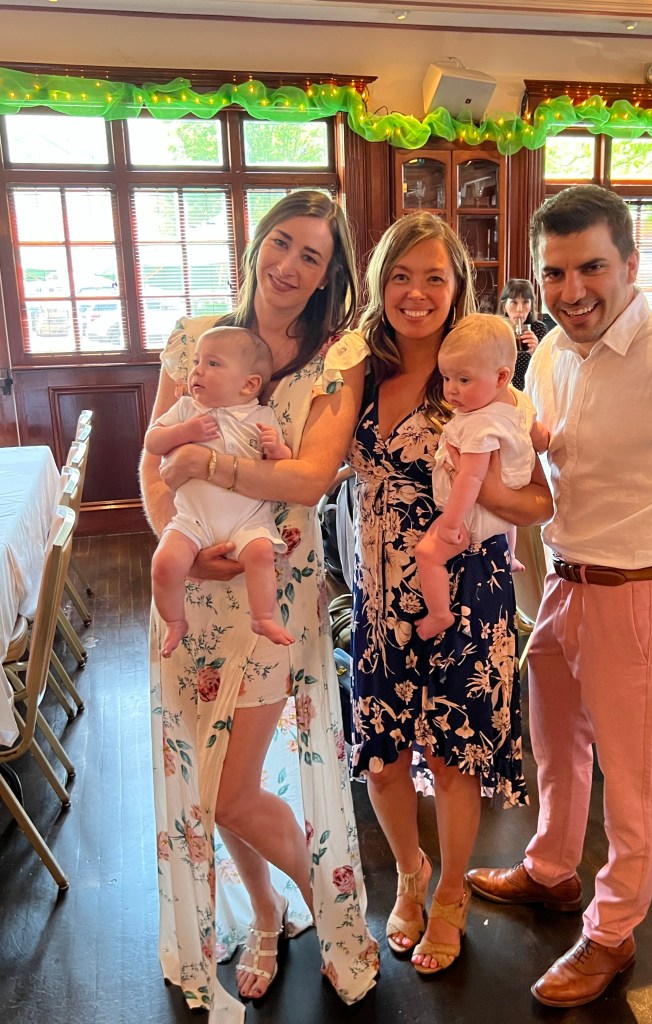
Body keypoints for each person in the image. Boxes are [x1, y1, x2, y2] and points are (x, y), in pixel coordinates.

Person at [467, 184, 652, 1008]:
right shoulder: (549, 353)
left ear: (631, 264)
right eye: (555, 272)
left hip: (640, 595)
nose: (572, 291)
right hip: (564, 584)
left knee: (633, 785)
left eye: (591, 267)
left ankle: (612, 933)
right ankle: (552, 870)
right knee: (555, 748)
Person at [139, 190, 378, 1022]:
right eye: (281, 243)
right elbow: (152, 460)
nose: (289, 265)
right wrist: (178, 538)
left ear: (327, 276)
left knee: (233, 787)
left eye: (312, 256)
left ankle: (328, 903)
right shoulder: (196, 340)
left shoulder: (335, 360)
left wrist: (211, 467)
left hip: (275, 588)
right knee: (213, 781)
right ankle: (267, 913)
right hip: (194, 586)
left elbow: (308, 480)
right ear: (255, 247)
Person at [322, 212, 553, 977]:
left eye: (434, 277)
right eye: (400, 275)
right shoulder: (358, 371)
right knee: (383, 759)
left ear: (457, 288)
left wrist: (481, 493)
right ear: (379, 282)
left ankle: (451, 892)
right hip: (380, 595)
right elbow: (317, 463)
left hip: (469, 593)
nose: (415, 292)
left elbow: (540, 502)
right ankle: (410, 872)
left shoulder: (481, 378)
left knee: (454, 760)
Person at [145, 325, 294, 657]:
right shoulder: (186, 408)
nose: (197, 370)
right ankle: (174, 621)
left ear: (249, 384)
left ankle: (262, 617)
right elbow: (152, 442)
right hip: (192, 520)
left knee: (261, 554)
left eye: (212, 363)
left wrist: (277, 450)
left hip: (246, 520)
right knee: (165, 563)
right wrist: (184, 431)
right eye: (197, 361)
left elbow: (282, 468)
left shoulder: (262, 416)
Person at [414, 312, 549, 640]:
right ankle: (511, 556)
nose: (451, 390)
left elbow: (471, 479)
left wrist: (451, 522)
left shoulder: (479, 424)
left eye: (463, 380)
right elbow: (540, 436)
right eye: (447, 378)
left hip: (471, 515)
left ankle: (439, 613)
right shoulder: (518, 400)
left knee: (427, 554)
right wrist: (544, 442)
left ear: (501, 376)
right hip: (509, 508)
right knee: (506, 519)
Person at [498, 278, 551, 390]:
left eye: (525, 302)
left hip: (530, 391)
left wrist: (536, 352)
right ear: (504, 307)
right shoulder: (496, 330)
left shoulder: (539, 329)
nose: (519, 309)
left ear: (531, 306)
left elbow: (550, 370)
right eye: (514, 302)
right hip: (500, 391)